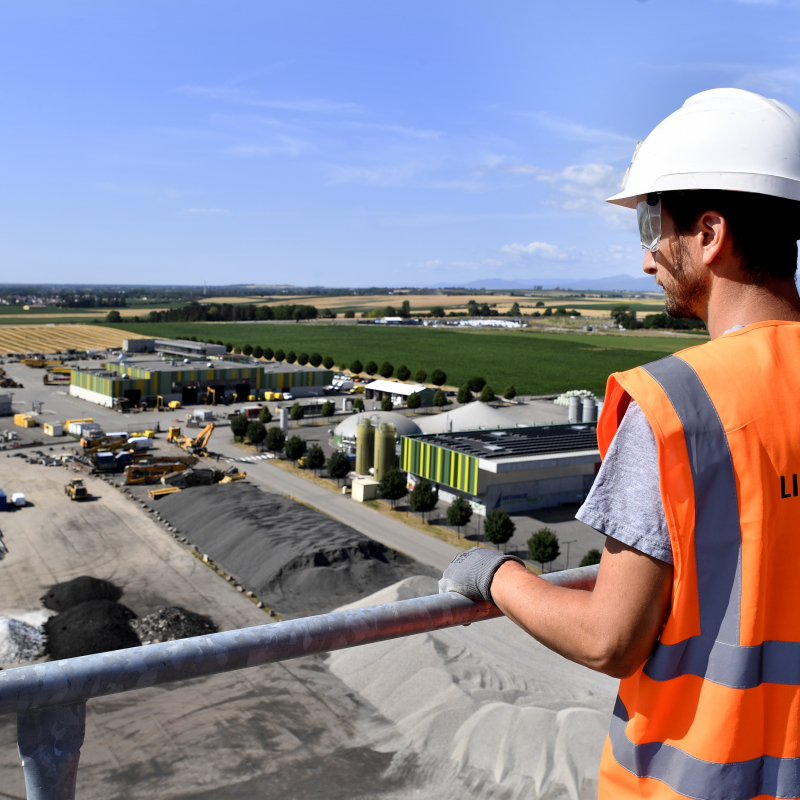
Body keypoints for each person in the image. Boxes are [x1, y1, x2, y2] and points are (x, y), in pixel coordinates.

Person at [439, 88, 800, 800]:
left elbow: (609, 638)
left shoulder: (680, 404)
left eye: (650, 227)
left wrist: (493, 574)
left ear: (710, 233)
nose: (646, 260)